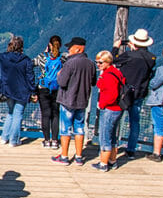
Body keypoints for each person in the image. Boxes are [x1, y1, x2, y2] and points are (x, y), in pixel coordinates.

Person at [112, 28, 156, 156]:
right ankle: (131, 149)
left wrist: (116, 47)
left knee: (115, 120)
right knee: (134, 122)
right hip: (139, 93)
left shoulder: (129, 56)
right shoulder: (151, 58)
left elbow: (113, 59)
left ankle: (112, 147)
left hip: (124, 93)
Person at [53, 37, 95, 165]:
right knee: (80, 128)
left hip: (67, 100)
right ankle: (79, 156)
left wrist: (59, 74)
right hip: (82, 101)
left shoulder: (70, 63)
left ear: (78, 48)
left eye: (70, 47)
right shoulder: (91, 64)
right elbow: (93, 82)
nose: (68, 49)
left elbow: (62, 82)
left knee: (65, 129)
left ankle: (64, 156)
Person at [0, 36, 37, 146]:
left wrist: (6, 53)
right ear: (21, 47)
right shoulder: (26, 60)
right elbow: (30, 78)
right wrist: (33, 92)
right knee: (18, 115)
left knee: (11, 113)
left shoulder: (4, 57)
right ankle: (14, 140)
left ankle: (4, 137)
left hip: (7, 90)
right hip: (22, 92)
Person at [93, 50, 127, 171]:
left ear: (108, 62)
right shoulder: (116, 72)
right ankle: (113, 160)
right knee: (112, 136)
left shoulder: (108, 75)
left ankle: (103, 163)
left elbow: (112, 94)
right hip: (118, 109)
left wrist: (102, 104)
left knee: (105, 136)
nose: (98, 64)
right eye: (97, 62)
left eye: (101, 62)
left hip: (109, 109)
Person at [35, 35, 64, 148]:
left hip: (43, 88)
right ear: (60, 45)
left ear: (49, 45)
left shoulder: (42, 57)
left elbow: (32, 63)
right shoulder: (63, 57)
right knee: (55, 114)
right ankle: (55, 141)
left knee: (45, 115)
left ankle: (46, 140)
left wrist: (44, 53)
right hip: (57, 88)